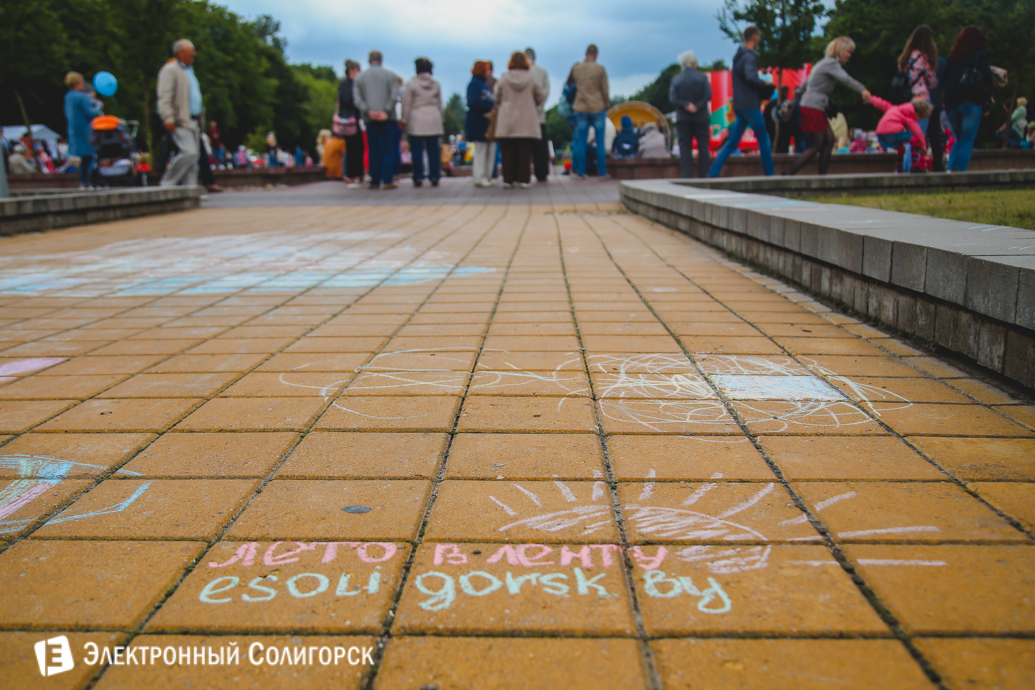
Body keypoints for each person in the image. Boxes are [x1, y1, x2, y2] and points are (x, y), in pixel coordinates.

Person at [784, 36, 871, 176]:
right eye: (848, 52)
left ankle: (822, 175)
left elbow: (804, 85)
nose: (849, 55)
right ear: (840, 50)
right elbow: (846, 79)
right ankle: (790, 173)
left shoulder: (822, 63)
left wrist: (793, 103)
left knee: (829, 140)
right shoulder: (831, 64)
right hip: (813, 107)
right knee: (818, 144)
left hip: (812, 105)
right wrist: (863, 89)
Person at [708, 27, 777, 177]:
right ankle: (770, 174)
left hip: (740, 104)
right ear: (755, 37)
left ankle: (713, 171)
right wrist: (763, 84)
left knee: (732, 142)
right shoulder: (749, 57)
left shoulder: (738, 56)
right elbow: (751, 77)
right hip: (750, 104)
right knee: (764, 139)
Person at [493, 51, 547, 189]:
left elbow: (496, 96)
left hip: (507, 118)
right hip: (526, 119)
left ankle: (508, 179)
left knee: (507, 152)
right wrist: (533, 103)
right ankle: (524, 179)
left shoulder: (504, 78)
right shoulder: (532, 78)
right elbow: (541, 96)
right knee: (525, 152)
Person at [943, 26, 992, 172]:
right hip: (971, 102)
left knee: (957, 138)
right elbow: (988, 79)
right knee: (967, 140)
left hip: (952, 104)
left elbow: (946, 80)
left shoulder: (951, 58)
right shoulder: (978, 56)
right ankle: (960, 172)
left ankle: (950, 169)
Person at [157, 39, 203, 187]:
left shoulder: (189, 71)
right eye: (191, 50)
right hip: (180, 119)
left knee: (193, 158)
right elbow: (165, 95)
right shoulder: (170, 70)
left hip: (193, 120)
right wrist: (168, 117)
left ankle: (190, 189)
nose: (193, 53)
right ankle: (167, 184)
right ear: (180, 53)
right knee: (190, 153)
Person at [354, 50, 401, 189]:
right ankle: (387, 180)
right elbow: (394, 96)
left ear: (369, 60)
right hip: (388, 118)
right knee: (388, 149)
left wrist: (369, 111)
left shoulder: (360, 78)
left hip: (370, 119)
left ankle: (374, 181)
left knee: (373, 149)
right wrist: (385, 110)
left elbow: (357, 98)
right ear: (381, 60)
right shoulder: (391, 76)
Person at [897, 25, 938, 170]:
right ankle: (911, 168)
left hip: (909, 100)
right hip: (922, 99)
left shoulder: (905, 57)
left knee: (910, 137)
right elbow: (932, 81)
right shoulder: (923, 57)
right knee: (919, 136)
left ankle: (905, 167)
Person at [401, 57, 445, 187]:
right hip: (433, 117)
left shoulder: (411, 84)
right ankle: (434, 175)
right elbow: (440, 103)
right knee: (433, 150)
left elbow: (407, 103)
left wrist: (404, 119)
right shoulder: (436, 84)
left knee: (417, 150)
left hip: (417, 118)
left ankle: (418, 176)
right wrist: (441, 119)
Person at [668, 50, 712, 177]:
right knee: (703, 146)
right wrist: (697, 106)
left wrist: (686, 104)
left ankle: (686, 175)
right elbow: (708, 95)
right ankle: (704, 175)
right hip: (701, 117)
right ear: (693, 63)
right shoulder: (702, 77)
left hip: (683, 118)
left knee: (685, 147)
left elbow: (673, 98)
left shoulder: (677, 79)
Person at [569, 44, 610, 179]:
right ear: (596, 55)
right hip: (597, 106)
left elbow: (572, 85)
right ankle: (602, 171)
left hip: (581, 106)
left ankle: (581, 171)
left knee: (580, 141)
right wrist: (606, 103)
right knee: (600, 141)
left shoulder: (577, 68)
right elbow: (605, 89)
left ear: (585, 54)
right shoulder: (600, 69)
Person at [868, 96, 932, 172]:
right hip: (893, 133)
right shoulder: (909, 116)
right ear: (918, 114)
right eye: (920, 118)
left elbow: (882, 104)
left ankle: (900, 169)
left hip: (880, 135)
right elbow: (918, 133)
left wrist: (871, 99)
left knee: (901, 149)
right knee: (915, 141)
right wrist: (923, 147)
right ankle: (914, 166)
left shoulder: (895, 108)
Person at [63, 71, 103, 189]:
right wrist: (99, 105)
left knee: (83, 159)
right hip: (86, 131)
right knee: (90, 157)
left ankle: (82, 183)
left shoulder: (68, 97)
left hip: (75, 131)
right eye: (82, 82)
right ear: (77, 83)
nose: (84, 85)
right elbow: (91, 113)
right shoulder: (82, 96)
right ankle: (91, 183)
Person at [466, 60, 496, 187]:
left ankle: (487, 176)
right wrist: (488, 107)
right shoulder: (475, 84)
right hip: (478, 122)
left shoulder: (482, 84)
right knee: (481, 151)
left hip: (485, 123)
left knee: (489, 151)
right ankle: (479, 177)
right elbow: (473, 102)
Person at [337, 59, 365, 186]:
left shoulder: (349, 83)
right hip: (350, 121)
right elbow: (348, 100)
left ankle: (357, 174)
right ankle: (352, 174)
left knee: (357, 147)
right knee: (353, 147)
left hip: (353, 120)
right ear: (352, 70)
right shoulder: (347, 84)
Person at [525, 47, 551, 182]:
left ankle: (522, 174)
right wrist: (539, 105)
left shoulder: (518, 73)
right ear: (534, 58)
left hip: (523, 117)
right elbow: (546, 91)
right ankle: (542, 173)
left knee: (523, 148)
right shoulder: (542, 72)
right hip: (538, 116)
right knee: (540, 148)